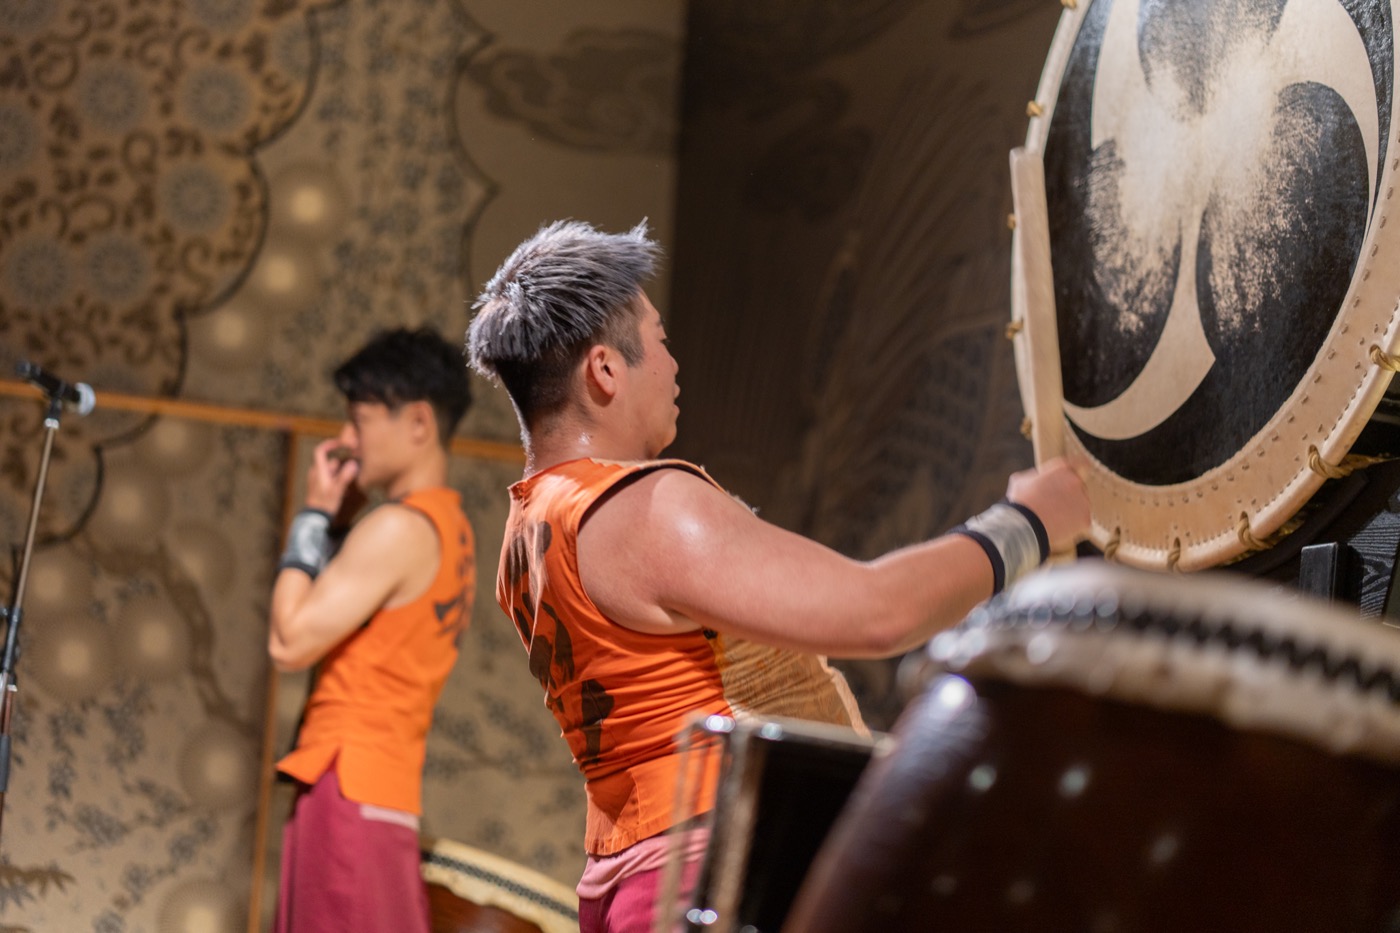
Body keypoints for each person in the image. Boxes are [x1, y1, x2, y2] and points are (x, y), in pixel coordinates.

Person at [466, 220, 1090, 933]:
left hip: (628, 875)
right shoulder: (643, 506)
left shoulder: (528, 529)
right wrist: (1027, 523)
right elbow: (876, 612)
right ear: (605, 370)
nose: (674, 367)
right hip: (711, 868)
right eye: (661, 340)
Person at [268, 326, 476, 933]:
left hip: (346, 786)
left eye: (359, 422)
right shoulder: (452, 529)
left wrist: (311, 516)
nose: (346, 441)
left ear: (418, 423)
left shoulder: (399, 528)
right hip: (387, 792)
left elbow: (289, 640)